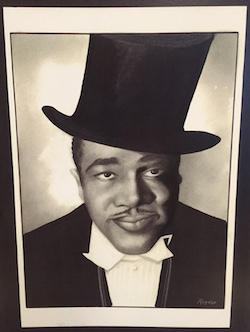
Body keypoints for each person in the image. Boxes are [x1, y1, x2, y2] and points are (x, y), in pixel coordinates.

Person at [23, 33, 227, 308]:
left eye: (152, 172)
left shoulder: (228, 248)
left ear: (177, 178)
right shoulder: (27, 257)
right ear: (80, 183)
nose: (133, 198)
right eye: (107, 174)